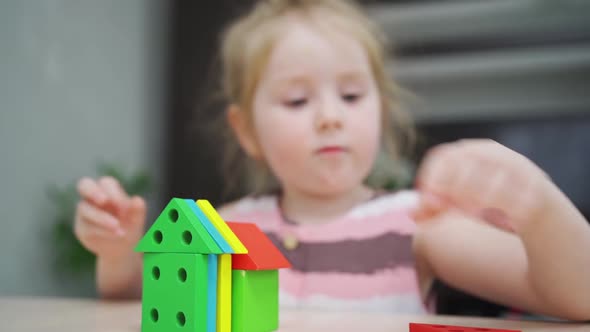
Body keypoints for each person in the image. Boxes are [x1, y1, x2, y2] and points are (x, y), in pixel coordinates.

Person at [73, 0, 590, 320]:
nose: (329, 118)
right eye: (297, 101)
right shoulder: (230, 227)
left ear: (381, 113)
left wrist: (538, 210)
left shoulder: (419, 224)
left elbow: (578, 297)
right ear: (247, 131)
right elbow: (134, 297)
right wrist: (117, 251)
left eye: (351, 95)